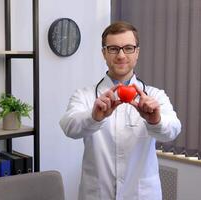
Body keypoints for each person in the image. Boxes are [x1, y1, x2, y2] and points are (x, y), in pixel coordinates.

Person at [59, 21, 181, 200]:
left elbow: (173, 130)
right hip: (98, 194)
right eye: (113, 48)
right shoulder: (84, 95)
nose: (121, 55)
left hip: (141, 194)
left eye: (128, 48)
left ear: (137, 52)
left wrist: (156, 120)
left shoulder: (155, 95)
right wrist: (93, 118)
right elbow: (69, 126)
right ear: (104, 53)